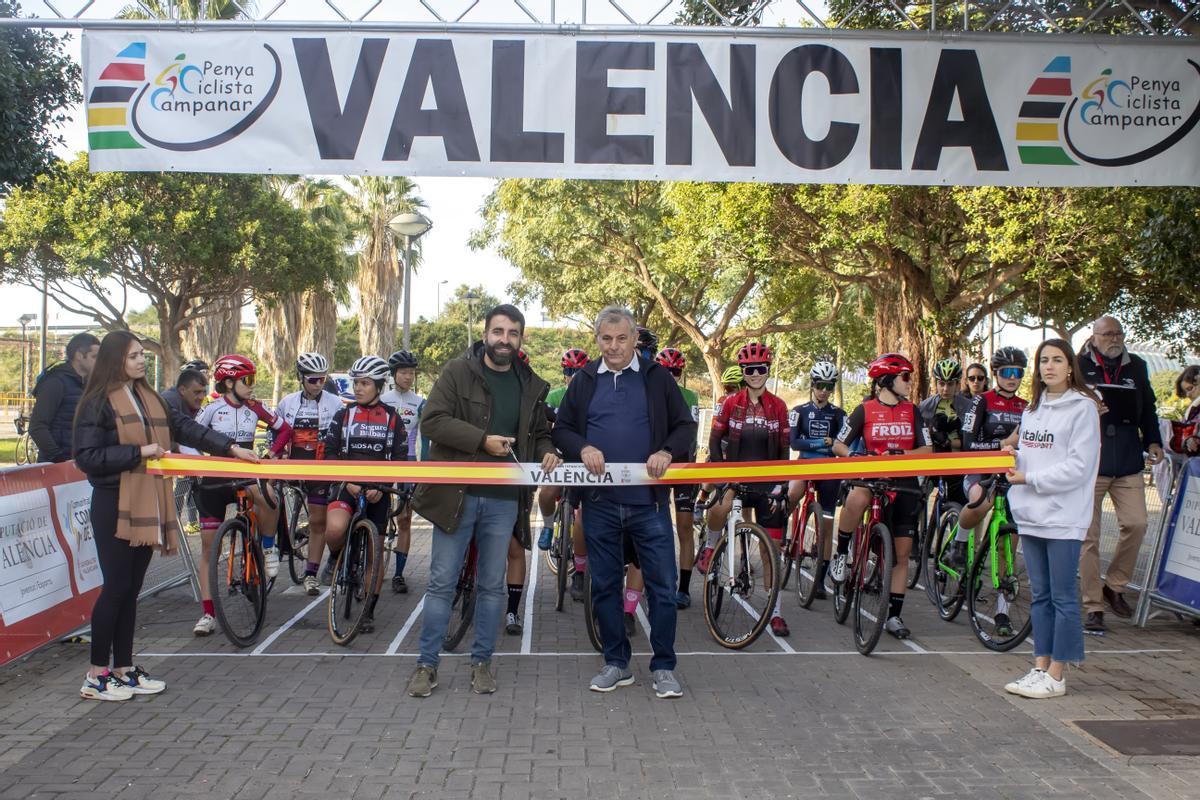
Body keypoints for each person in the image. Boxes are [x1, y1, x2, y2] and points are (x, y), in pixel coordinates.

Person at [73, 331, 257, 700]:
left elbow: (186, 428)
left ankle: (123, 669)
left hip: (147, 502)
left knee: (131, 590)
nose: (142, 361)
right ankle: (96, 675)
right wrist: (139, 452)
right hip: (114, 502)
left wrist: (231, 448)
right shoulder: (96, 401)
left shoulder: (149, 397)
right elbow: (87, 458)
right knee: (116, 588)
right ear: (115, 360)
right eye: (133, 356)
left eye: (142, 354)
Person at [408, 304, 560, 698]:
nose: (504, 339)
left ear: (520, 339)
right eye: (498, 331)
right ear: (486, 334)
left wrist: (548, 450)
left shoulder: (531, 384)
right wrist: (482, 440)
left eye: (512, 333)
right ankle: (427, 665)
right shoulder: (458, 372)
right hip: (454, 497)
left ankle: (483, 663)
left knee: (492, 586)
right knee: (441, 583)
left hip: (504, 501)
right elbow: (433, 421)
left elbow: (539, 432)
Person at [553, 306, 695, 698]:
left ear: (635, 340)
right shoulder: (583, 380)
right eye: (605, 339)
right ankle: (616, 663)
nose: (613, 346)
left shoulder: (657, 378)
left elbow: (685, 425)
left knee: (664, 588)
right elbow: (562, 428)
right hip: (599, 503)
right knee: (604, 587)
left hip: (648, 505)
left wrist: (667, 450)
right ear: (596, 340)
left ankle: (664, 666)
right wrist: (582, 448)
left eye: (621, 339)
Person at [1004, 338, 1101, 699]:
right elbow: (1031, 457)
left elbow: (1079, 466)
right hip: (1032, 515)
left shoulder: (1083, 408)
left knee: (1063, 597)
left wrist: (1030, 478)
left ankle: (1058, 675)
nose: (1049, 367)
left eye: (1057, 360)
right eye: (1044, 360)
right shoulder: (1033, 409)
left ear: (1070, 366)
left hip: (1064, 517)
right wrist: (1014, 458)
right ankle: (1040, 666)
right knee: (1039, 596)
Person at [831, 353, 933, 640]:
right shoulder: (864, 409)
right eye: (905, 377)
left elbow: (928, 451)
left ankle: (894, 616)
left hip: (905, 483)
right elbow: (839, 444)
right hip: (872, 477)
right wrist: (855, 456)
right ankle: (842, 552)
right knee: (856, 499)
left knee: (901, 555)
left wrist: (902, 454)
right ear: (887, 380)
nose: (910, 382)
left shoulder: (912, 411)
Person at [190, 355, 292, 636]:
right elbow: (191, 438)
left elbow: (284, 429)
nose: (252, 386)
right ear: (229, 382)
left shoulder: (255, 408)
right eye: (247, 380)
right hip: (214, 477)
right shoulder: (211, 409)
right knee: (208, 548)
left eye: (253, 379)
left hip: (245, 473)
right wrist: (198, 465)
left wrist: (270, 455)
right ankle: (208, 614)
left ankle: (269, 547)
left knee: (269, 493)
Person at [699, 342, 793, 636]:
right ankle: (712, 544)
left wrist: (781, 484)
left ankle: (775, 612)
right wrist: (722, 473)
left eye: (761, 369)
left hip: (767, 480)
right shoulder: (730, 403)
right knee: (719, 509)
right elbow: (715, 440)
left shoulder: (778, 406)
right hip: (736, 476)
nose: (755, 374)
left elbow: (784, 448)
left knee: (772, 552)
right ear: (743, 372)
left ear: (767, 371)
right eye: (750, 370)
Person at [1077, 315, 1164, 631]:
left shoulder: (1137, 366)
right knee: (1089, 537)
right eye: (1108, 334)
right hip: (1091, 460)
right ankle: (1093, 606)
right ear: (1094, 336)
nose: (1115, 338)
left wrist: (1153, 440)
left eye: (1119, 333)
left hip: (1127, 457)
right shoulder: (1077, 365)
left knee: (1138, 523)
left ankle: (1114, 586)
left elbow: (1149, 408)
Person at [321, 356, 408, 633]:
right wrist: (347, 481)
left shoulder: (393, 419)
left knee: (375, 553)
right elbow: (330, 453)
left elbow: (399, 459)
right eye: (356, 383)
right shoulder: (343, 415)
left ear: (379, 386)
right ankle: (336, 556)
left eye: (365, 383)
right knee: (334, 529)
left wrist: (379, 485)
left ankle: (368, 610)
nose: (358, 388)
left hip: (377, 491)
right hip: (346, 486)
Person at [949, 348, 1029, 573]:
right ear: (995, 373)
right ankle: (960, 542)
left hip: (1011, 473)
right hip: (980, 468)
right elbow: (967, 444)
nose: (1013, 377)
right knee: (981, 503)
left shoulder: (1026, 407)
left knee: (1009, 542)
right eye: (1007, 372)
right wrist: (1003, 444)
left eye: (1018, 372)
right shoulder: (981, 401)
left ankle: (1002, 600)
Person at [275, 352, 343, 595]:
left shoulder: (335, 403)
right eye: (313, 379)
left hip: (320, 469)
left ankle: (311, 574)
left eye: (322, 380)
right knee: (272, 504)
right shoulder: (286, 402)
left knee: (317, 521)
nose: (317, 384)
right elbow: (278, 434)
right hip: (292, 466)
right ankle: (277, 547)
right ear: (301, 377)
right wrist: (279, 453)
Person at [785, 360, 847, 599]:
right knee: (791, 495)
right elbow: (794, 442)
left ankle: (820, 581)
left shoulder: (840, 414)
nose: (824, 390)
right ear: (812, 384)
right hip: (805, 465)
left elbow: (843, 444)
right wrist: (823, 443)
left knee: (828, 524)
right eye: (820, 385)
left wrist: (824, 446)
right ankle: (784, 529)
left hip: (829, 471)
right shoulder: (798, 412)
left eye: (829, 386)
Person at [537, 348, 590, 606]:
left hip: (584, 462)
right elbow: (544, 432)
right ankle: (548, 527)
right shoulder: (555, 396)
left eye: (578, 371)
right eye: (569, 371)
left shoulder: (594, 395)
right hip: (559, 458)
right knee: (546, 493)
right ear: (564, 373)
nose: (573, 376)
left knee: (582, 517)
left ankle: (580, 573)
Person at [656, 347, 702, 609]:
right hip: (658, 468)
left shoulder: (690, 396)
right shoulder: (651, 394)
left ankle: (683, 588)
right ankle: (658, 583)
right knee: (658, 528)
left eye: (676, 371)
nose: (671, 376)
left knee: (684, 527)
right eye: (666, 371)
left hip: (684, 467)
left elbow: (690, 433)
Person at [381, 349, 425, 594]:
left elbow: (422, 440)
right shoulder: (382, 399)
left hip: (407, 460)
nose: (408, 377)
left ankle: (399, 574)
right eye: (403, 372)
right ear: (393, 374)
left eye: (411, 373)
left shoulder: (418, 403)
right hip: (383, 460)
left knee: (405, 519)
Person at [29, 332, 101, 463]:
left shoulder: (88, 383)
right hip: (57, 466)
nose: (99, 362)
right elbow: (37, 426)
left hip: (82, 462)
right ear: (79, 356)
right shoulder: (55, 382)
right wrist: (59, 458)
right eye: (95, 356)